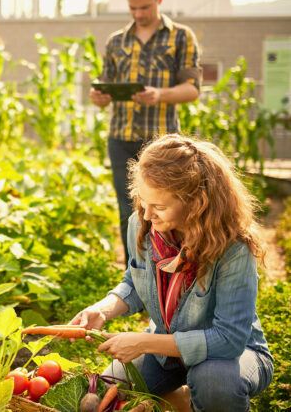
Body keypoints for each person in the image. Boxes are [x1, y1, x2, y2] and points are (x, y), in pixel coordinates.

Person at [69, 134, 274, 412]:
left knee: (214, 382)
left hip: (232, 356)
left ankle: (202, 396)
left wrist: (143, 342)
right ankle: (183, 400)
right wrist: (103, 310)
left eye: (160, 206)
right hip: (167, 353)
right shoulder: (142, 224)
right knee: (106, 388)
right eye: (143, 200)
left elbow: (228, 340)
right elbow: (134, 281)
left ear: (196, 202)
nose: (147, 213)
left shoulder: (233, 247)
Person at [90, 0, 201, 264]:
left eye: (145, 7)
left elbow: (192, 89)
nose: (139, 14)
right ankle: (136, 276)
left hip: (162, 141)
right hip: (121, 138)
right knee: (128, 211)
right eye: (133, 8)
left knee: (167, 209)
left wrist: (159, 95)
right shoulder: (116, 42)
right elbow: (105, 85)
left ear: (158, 0)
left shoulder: (181, 37)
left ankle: (171, 268)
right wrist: (99, 97)